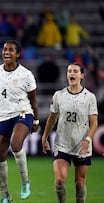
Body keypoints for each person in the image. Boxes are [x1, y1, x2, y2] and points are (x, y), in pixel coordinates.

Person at [41, 63, 98, 203]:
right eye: (69, 71)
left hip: (82, 144)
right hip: (62, 143)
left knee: (79, 183)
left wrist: (88, 140)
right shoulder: (59, 95)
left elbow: (94, 123)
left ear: (82, 75)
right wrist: (44, 137)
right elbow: (52, 118)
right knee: (60, 180)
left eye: (75, 71)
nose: (71, 73)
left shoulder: (90, 97)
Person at [0, 40, 39, 203]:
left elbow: (33, 100)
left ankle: (25, 182)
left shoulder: (26, 74)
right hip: (3, 116)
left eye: (11, 50)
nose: (6, 52)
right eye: (4, 49)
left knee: (16, 144)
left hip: (23, 112)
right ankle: (5, 195)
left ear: (18, 54)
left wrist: (36, 120)